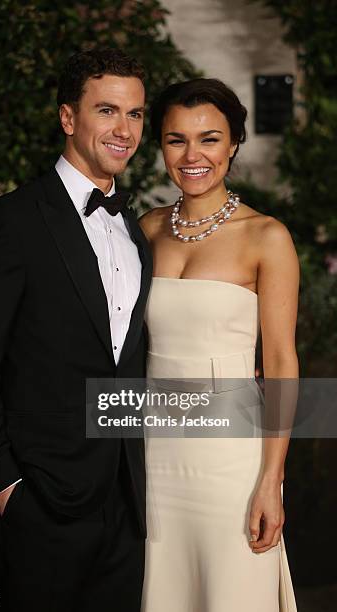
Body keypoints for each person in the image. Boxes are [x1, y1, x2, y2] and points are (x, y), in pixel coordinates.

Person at [0, 48, 152, 612]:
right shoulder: (10, 221)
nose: (124, 129)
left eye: (135, 114)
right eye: (107, 110)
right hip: (41, 502)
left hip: (128, 504)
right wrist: (5, 487)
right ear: (68, 117)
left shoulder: (136, 233)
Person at [139, 78, 298, 611]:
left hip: (231, 461)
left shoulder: (266, 237)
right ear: (160, 146)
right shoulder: (146, 230)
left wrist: (271, 480)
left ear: (233, 144)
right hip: (153, 456)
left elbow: (279, 362)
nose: (192, 155)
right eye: (175, 139)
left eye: (209, 139)